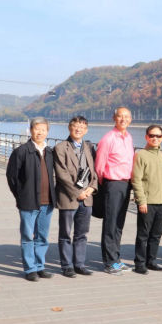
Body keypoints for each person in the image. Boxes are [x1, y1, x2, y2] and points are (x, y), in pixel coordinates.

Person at [6, 117, 56, 281]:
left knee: (42, 237)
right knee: (28, 237)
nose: (40, 132)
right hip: (28, 202)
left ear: (47, 132)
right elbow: (12, 177)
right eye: (37, 129)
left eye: (43, 129)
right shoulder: (21, 151)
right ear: (31, 130)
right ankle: (30, 269)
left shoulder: (49, 152)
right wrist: (21, 195)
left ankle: (40, 266)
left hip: (47, 201)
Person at [53, 116, 98, 278]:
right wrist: (77, 192)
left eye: (82, 127)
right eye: (75, 126)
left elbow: (94, 171)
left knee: (82, 234)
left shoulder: (89, 147)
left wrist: (92, 188)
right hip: (69, 197)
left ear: (86, 130)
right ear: (69, 128)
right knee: (65, 234)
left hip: (87, 197)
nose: (78, 129)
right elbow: (61, 174)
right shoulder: (60, 148)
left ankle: (79, 264)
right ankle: (67, 266)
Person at [95, 107, 135, 275]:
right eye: (120, 116)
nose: (123, 119)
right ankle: (109, 262)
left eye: (126, 116)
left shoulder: (129, 137)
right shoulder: (108, 138)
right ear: (114, 118)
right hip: (112, 183)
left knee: (119, 223)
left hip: (126, 184)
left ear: (130, 119)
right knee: (110, 223)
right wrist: (105, 185)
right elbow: (99, 166)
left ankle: (116, 258)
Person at [131, 125, 162, 275]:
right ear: (146, 137)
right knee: (143, 234)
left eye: (158, 136)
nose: (155, 138)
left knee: (156, 234)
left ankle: (151, 261)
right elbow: (136, 180)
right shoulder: (141, 155)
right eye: (152, 135)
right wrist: (141, 201)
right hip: (148, 202)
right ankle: (140, 263)